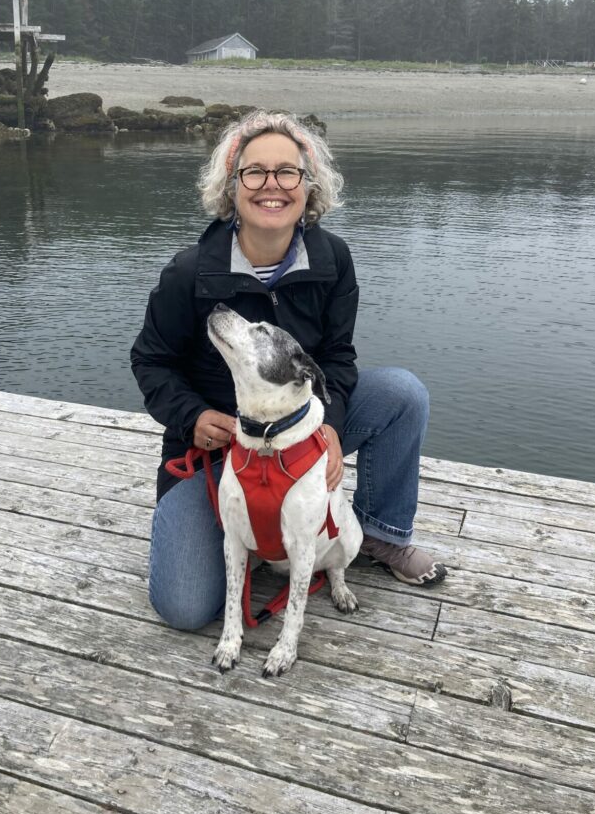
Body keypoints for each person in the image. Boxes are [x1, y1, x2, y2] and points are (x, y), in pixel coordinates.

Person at [131, 110, 447, 630]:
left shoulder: (333, 259)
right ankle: (250, 534)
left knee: (401, 393)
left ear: (308, 186)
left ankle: (380, 535)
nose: (271, 186)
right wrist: (191, 416)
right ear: (232, 187)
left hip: (299, 431)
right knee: (185, 608)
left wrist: (332, 431)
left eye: (287, 172)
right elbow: (150, 360)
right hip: (217, 449)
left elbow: (339, 359)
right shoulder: (189, 272)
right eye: (254, 172)